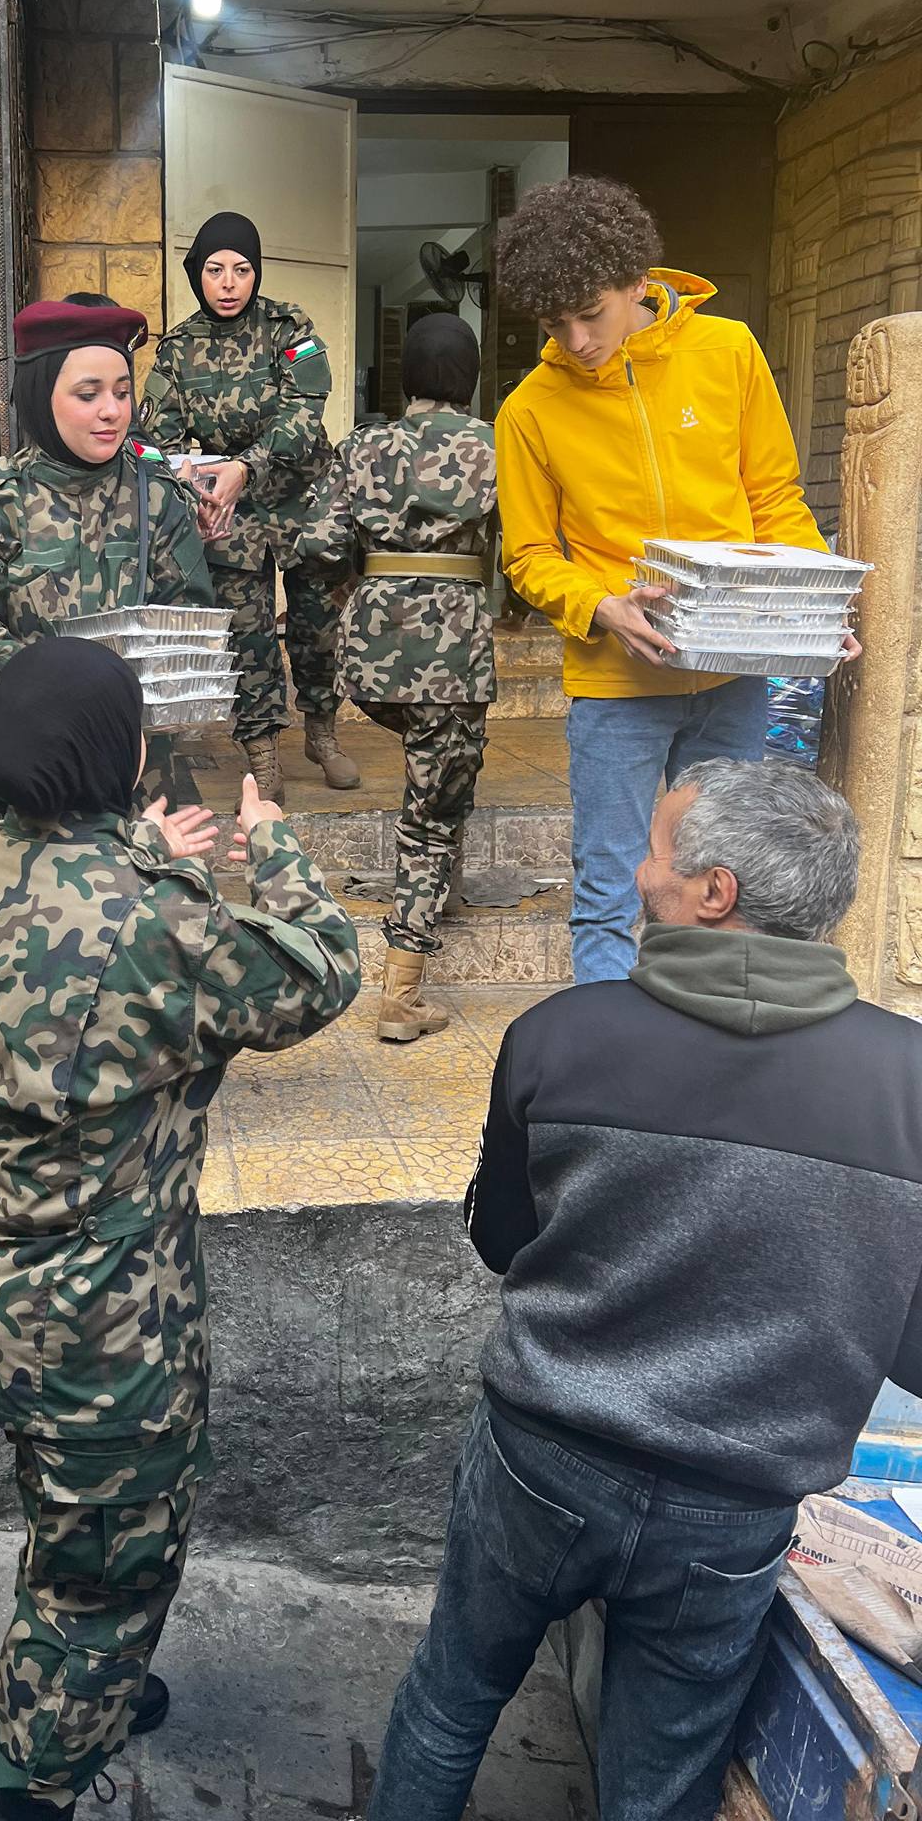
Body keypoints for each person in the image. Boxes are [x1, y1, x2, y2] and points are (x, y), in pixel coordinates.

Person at [369, 758, 922, 1821]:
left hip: (541, 1463)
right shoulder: (907, 1082)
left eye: (660, 851)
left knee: (452, 1698)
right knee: (659, 1780)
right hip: (732, 1511)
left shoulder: (563, 1036)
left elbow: (501, 1240)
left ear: (716, 891)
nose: (637, 870)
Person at [0, 635, 361, 1820]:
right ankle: (34, 1774)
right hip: (107, 1318)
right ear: (130, 752)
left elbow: (61, 935)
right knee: (108, 1559)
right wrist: (279, 852)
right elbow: (320, 973)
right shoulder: (156, 923)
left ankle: (83, 1690)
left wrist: (142, 857)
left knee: (66, 1512)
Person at [494, 175, 848, 984]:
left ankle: (708, 1044)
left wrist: (814, 608)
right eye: (556, 324)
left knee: (727, 883)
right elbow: (527, 556)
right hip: (616, 688)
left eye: (593, 313)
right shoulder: (529, 410)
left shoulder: (728, 352)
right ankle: (610, 1067)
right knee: (609, 885)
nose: (577, 339)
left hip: (732, 674)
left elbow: (774, 500)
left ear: (635, 282)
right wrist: (600, 606)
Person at [0, 297, 213, 844]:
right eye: (88, 394)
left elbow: (189, 615)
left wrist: (145, 699)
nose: (112, 411)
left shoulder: (157, 498)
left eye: (123, 393)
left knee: (138, 920)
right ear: (41, 394)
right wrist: (61, 699)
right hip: (24, 776)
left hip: (133, 773)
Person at [297, 313, 496, 1042]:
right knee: (431, 812)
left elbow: (318, 542)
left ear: (403, 377)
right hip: (451, 657)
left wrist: (359, 589)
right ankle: (403, 993)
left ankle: (440, 889)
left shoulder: (363, 445)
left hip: (372, 655)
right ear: (470, 379)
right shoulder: (491, 446)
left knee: (445, 774)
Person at [139, 210, 358, 803]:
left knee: (318, 627)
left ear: (256, 274)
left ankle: (322, 731)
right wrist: (193, 485)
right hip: (227, 515)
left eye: (242, 269)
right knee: (247, 635)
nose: (230, 282)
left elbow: (305, 413)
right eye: (215, 270)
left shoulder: (291, 328)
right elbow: (148, 440)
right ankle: (262, 753)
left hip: (303, 501)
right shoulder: (178, 350)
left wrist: (246, 465)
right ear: (197, 275)